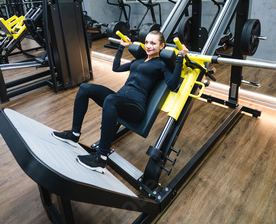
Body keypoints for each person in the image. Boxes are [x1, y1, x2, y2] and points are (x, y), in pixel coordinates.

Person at [52, 30, 188, 173]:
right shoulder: (139, 60)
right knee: (85, 88)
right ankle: (74, 134)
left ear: (162, 46)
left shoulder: (161, 64)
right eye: (147, 42)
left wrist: (180, 57)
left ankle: (101, 158)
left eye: (153, 43)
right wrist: (121, 47)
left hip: (135, 107)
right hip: (120, 99)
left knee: (111, 99)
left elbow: (173, 85)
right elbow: (116, 68)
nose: (148, 46)